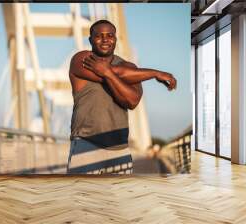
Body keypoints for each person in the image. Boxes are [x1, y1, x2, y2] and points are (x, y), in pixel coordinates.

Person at [67, 19, 177, 174]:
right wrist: (154, 73)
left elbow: (132, 101)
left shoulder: (130, 67)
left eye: (110, 35)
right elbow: (121, 74)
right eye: (99, 36)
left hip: (120, 149)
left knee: (119, 198)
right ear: (91, 40)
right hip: (86, 145)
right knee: (82, 196)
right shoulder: (81, 59)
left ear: (115, 39)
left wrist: (106, 72)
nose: (105, 39)